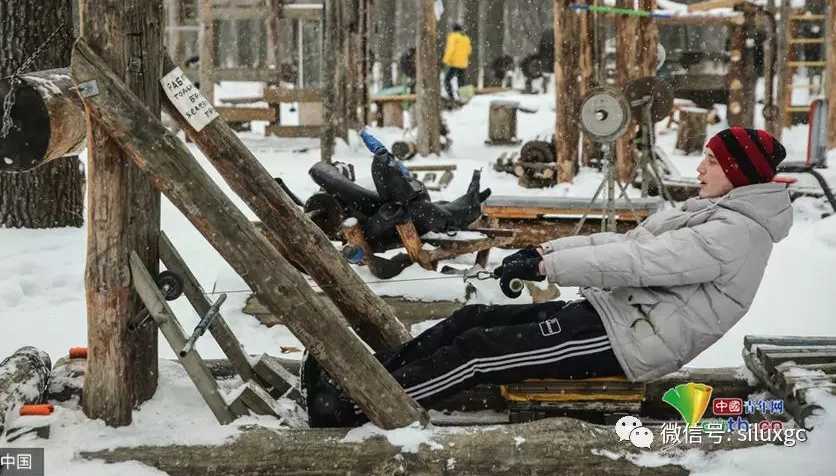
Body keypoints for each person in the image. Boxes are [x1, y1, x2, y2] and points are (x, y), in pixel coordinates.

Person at [303, 126, 793, 427]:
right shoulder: (713, 214)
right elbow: (624, 246)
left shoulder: (734, 233)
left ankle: (357, 404)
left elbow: (638, 264)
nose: (701, 166)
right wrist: (544, 251)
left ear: (738, 172)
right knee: (471, 320)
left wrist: (546, 265)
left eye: (712, 160)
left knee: (478, 353)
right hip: (616, 318)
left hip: (629, 344)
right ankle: (366, 377)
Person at [441, 24, 472, 101]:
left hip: (454, 63)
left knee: (447, 80)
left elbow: (450, 50)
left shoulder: (453, 36)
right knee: (461, 82)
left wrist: (445, 61)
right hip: (463, 64)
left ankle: (451, 97)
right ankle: (464, 98)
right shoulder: (466, 37)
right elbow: (469, 51)